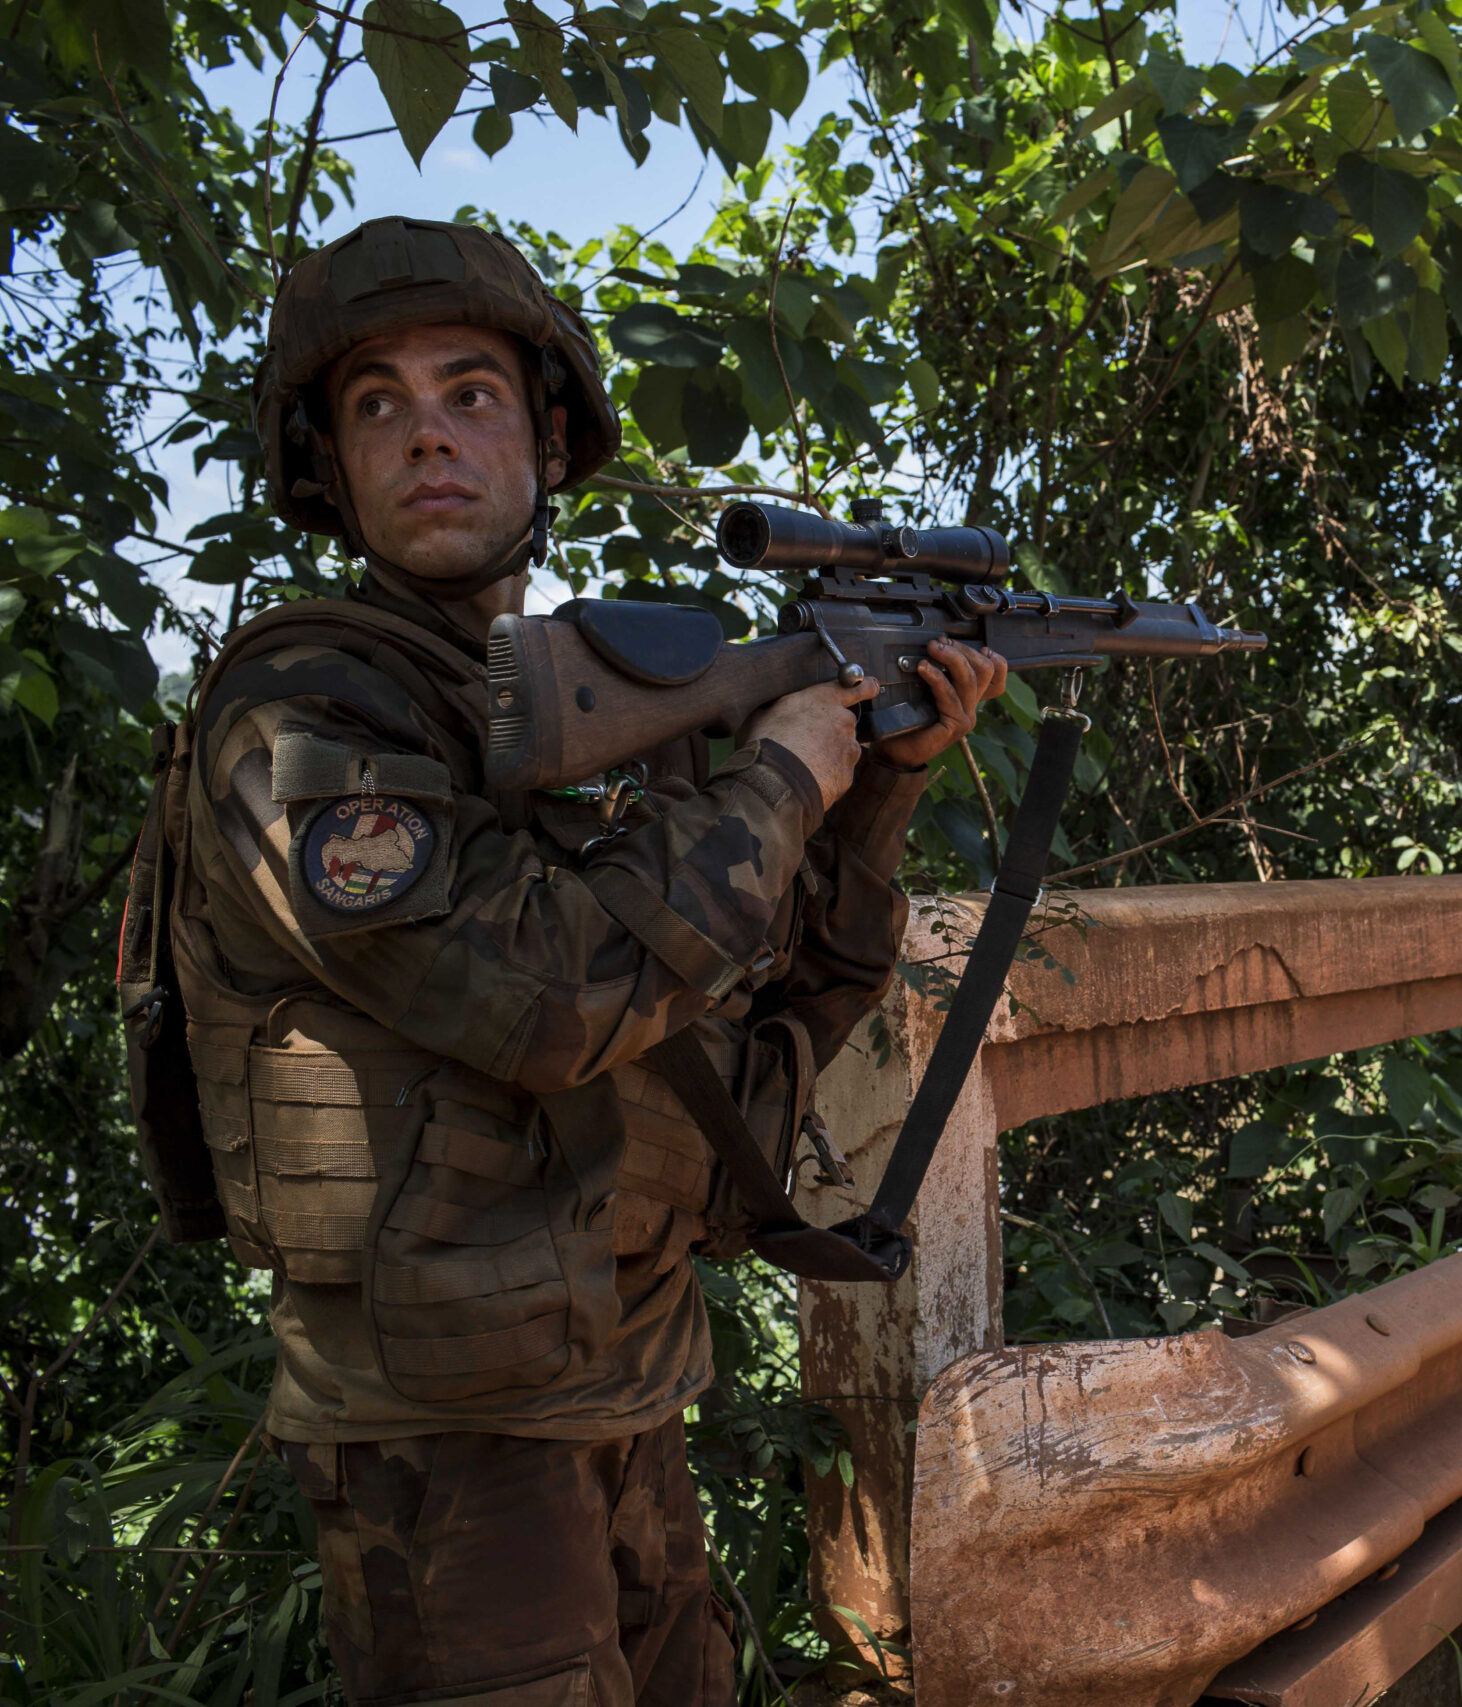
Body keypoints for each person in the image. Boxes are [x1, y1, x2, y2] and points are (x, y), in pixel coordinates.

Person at [125, 217, 1005, 1706]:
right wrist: (785, 776)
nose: (427, 439)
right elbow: (551, 997)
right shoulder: (303, 712)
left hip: (619, 1378)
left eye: (469, 394)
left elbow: (768, 994)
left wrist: (879, 781)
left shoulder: (585, 706)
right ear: (329, 468)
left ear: (547, 438)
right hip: (448, 1437)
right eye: (377, 405)